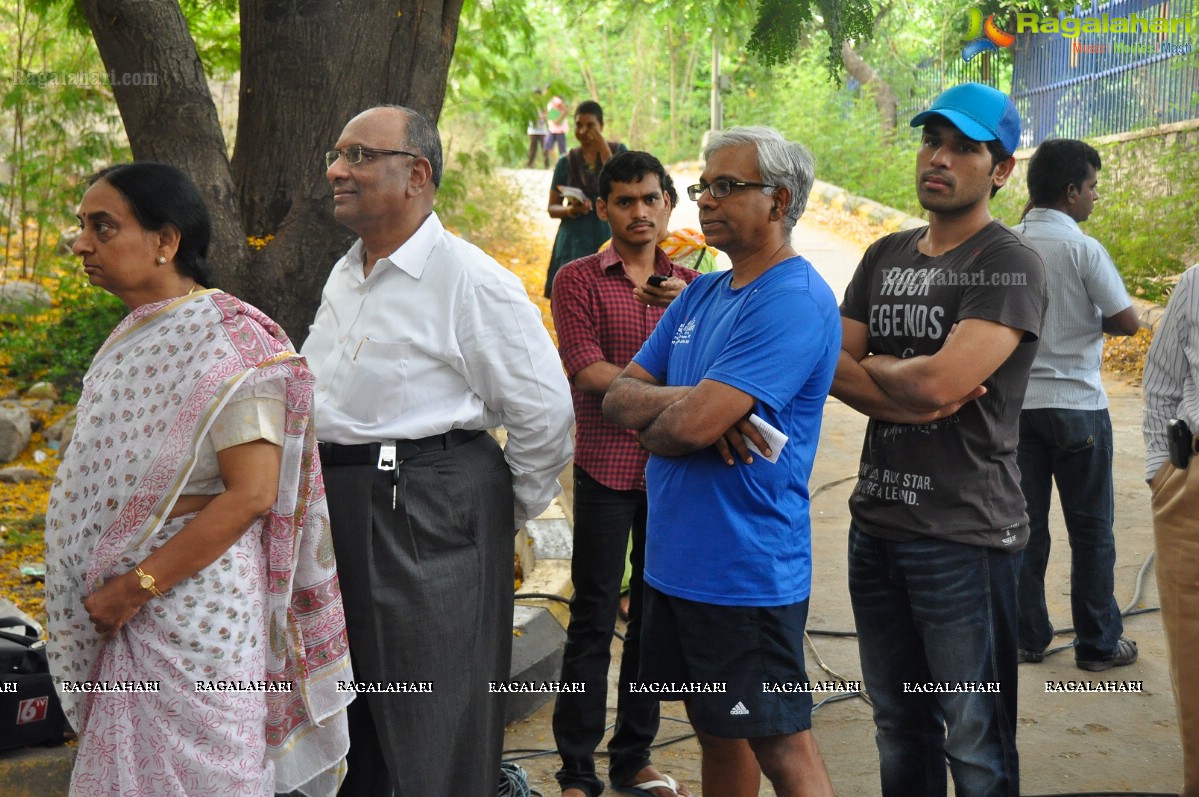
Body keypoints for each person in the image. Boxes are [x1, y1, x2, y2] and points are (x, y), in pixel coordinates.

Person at [45, 162, 352, 796]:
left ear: (166, 240)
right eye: (82, 227)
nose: (81, 244)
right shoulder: (132, 338)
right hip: (122, 615)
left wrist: (136, 586)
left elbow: (252, 493)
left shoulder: (231, 342)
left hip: (194, 618)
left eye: (104, 227)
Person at [302, 105, 574, 797]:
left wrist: (488, 509)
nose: (336, 169)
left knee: (430, 713)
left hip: (424, 501)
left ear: (415, 173)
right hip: (341, 503)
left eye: (358, 155)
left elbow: (544, 413)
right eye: (337, 153)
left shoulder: (468, 279)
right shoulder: (347, 273)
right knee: (350, 705)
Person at [603, 126, 839, 797]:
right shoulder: (702, 293)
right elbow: (620, 399)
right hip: (674, 564)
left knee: (778, 739)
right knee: (717, 726)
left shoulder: (791, 298)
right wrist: (693, 408)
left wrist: (688, 417)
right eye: (702, 184)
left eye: (726, 186)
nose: (705, 199)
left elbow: (682, 428)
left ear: (779, 199)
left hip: (744, 570)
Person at [831, 83, 1047, 797]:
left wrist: (884, 370)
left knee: (974, 740)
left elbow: (940, 384)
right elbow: (831, 365)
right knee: (897, 725)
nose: (939, 157)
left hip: (961, 534)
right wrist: (908, 379)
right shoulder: (883, 255)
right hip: (877, 527)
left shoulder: (1007, 263)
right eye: (932, 141)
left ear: (1000, 169)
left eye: (963, 147)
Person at [550, 151, 700, 797]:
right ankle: (576, 767)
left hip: (674, 475)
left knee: (654, 616)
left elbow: (724, 367)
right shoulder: (577, 278)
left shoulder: (700, 285)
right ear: (602, 208)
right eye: (624, 201)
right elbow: (585, 369)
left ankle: (632, 757)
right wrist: (683, 401)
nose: (639, 212)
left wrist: (691, 304)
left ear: (668, 202)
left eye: (649, 198)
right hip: (607, 469)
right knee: (590, 614)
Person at [1011, 138, 1140, 670]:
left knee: (1023, 527)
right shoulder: (1083, 249)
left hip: (1017, 409)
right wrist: (1089, 321)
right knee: (1090, 530)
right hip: (1078, 406)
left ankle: (1025, 636)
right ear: (1070, 191)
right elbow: (1128, 321)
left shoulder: (1006, 243)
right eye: (1091, 187)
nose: (1095, 197)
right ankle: (1098, 644)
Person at [1142, 262, 1199, 797]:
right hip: (1191, 491)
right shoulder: (1196, 282)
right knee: (1193, 655)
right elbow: (1161, 381)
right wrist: (1162, 472)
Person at [544, 100, 628, 297]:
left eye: (590, 125)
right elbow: (552, 208)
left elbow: (624, 181)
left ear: (602, 126)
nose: (583, 131)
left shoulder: (619, 151)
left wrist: (603, 148)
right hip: (573, 242)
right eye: (578, 125)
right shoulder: (566, 162)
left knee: (610, 296)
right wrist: (571, 210)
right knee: (573, 295)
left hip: (608, 236)